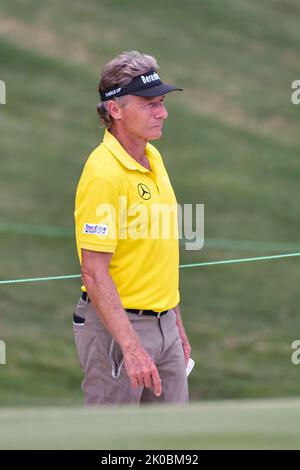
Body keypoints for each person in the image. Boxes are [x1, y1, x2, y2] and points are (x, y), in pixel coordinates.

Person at [73, 50, 191, 405]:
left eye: (162, 102)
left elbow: (157, 255)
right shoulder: (103, 174)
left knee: (174, 446)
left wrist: (177, 329)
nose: (163, 112)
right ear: (115, 110)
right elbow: (94, 273)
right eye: (150, 104)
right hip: (118, 330)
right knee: (112, 444)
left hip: (164, 325)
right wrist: (131, 346)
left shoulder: (152, 157)